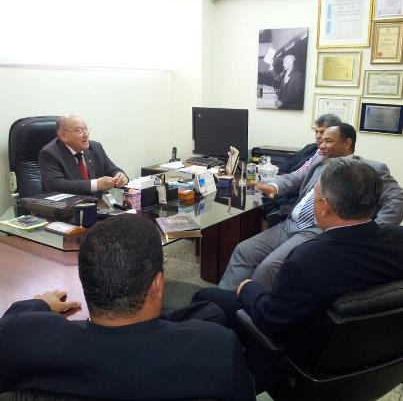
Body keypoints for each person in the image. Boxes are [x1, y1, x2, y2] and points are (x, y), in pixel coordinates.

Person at [193, 158, 403, 391]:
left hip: (299, 358)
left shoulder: (306, 260)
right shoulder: (398, 240)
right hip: (369, 356)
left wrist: (247, 287)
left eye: (315, 197)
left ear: (324, 206)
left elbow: (271, 320)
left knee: (205, 297)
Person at [0, 215, 255, 400]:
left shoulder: (22, 339)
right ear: (157, 285)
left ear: (85, 279)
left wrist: (42, 302)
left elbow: (12, 320)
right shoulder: (215, 347)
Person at [220, 123, 403, 291]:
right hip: (291, 223)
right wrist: (274, 186)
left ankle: (249, 309)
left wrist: (372, 231)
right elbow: (294, 178)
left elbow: (397, 198)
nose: (321, 145)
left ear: (347, 143)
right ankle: (224, 302)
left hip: (317, 230)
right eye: (321, 140)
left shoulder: (369, 169)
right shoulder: (319, 161)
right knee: (243, 250)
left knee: (268, 267)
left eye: (328, 141)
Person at [39, 114, 129, 196]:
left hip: (97, 205)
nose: (86, 134)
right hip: (67, 206)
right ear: (63, 135)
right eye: (79, 131)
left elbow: (112, 169)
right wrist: (96, 184)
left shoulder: (95, 147)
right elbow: (56, 185)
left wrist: (121, 176)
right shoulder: (49, 153)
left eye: (86, 128)